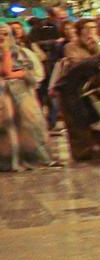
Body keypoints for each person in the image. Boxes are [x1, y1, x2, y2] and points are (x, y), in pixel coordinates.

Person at [0, 23, 54, 171]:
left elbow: (33, 73)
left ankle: (39, 158)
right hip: (3, 97)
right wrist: (5, 51)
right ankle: (9, 162)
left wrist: (20, 74)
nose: (2, 37)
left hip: (22, 94)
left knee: (32, 125)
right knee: (7, 130)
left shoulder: (22, 52)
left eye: (5, 34)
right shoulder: (6, 51)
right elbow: (5, 71)